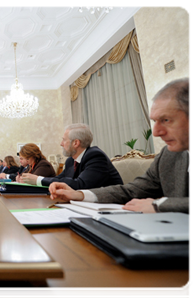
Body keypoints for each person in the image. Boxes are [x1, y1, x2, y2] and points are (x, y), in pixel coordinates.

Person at [49, 78, 193, 214]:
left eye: (166, 120)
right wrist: (78, 195)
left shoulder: (94, 155)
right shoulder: (169, 155)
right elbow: (131, 191)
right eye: (155, 121)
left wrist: (160, 206)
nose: (155, 132)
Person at [21, 124, 123, 189]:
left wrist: (38, 179)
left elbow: (80, 185)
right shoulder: (71, 160)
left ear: (76, 143)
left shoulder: (95, 156)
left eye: (64, 140)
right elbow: (59, 179)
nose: (61, 144)